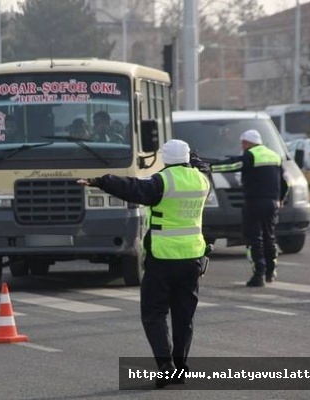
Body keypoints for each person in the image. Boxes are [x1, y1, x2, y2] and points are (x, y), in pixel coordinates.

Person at [77, 139, 212, 388]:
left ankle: (165, 366)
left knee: (154, 314)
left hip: (162, 259)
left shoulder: (162, 182)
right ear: (187, 158)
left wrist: (102, 181)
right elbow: (204, 166)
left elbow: (132, 188)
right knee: (184, 316)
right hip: (192, 258)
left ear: (164, 159)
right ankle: (180, 368)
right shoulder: (203, 180)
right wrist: (195, 157)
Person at [210, 129, 288, 287]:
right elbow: (284, 182)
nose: (241, 146)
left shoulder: (250, 155)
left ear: (246, 142)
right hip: (272, 203)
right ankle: (271, 271)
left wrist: (209, 167)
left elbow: (232, 165)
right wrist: (280, 199)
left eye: (242, 143)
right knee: (269, 236)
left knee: (254, 237)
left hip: (254, 202)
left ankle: (258, 274)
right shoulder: (274, 156)